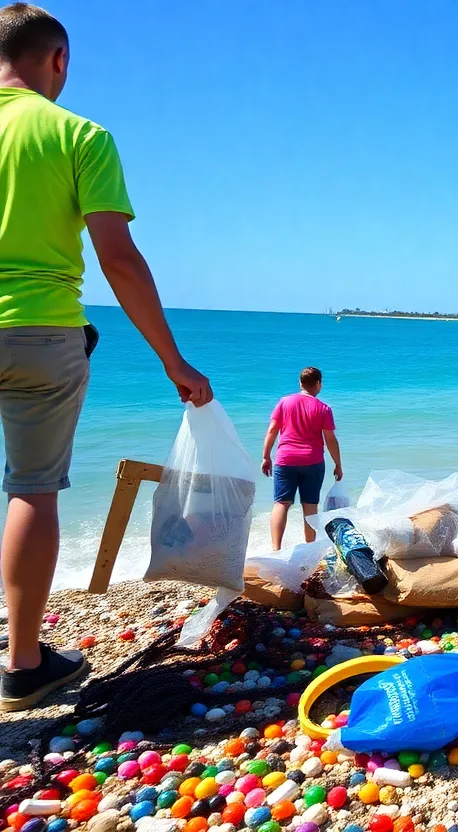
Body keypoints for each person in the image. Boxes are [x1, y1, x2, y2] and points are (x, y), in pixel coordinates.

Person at [0, 4, 212, 710]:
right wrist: (172, 361)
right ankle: (24, 665)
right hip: (40, 331)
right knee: (31, 488)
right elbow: (117, 260)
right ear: (57, 60)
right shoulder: (79, 135)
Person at [262, 367, 342, 550]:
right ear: (319, 384)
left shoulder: (284, 402)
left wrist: (266, 457)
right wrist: (338, 464)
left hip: (285, 460)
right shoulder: (323, 408)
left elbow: (272, 430)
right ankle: (309, 550)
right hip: (312, 462)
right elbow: (330, 439)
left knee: (281, 504)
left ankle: (276, 550)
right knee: (310, 506)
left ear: (300, 383)